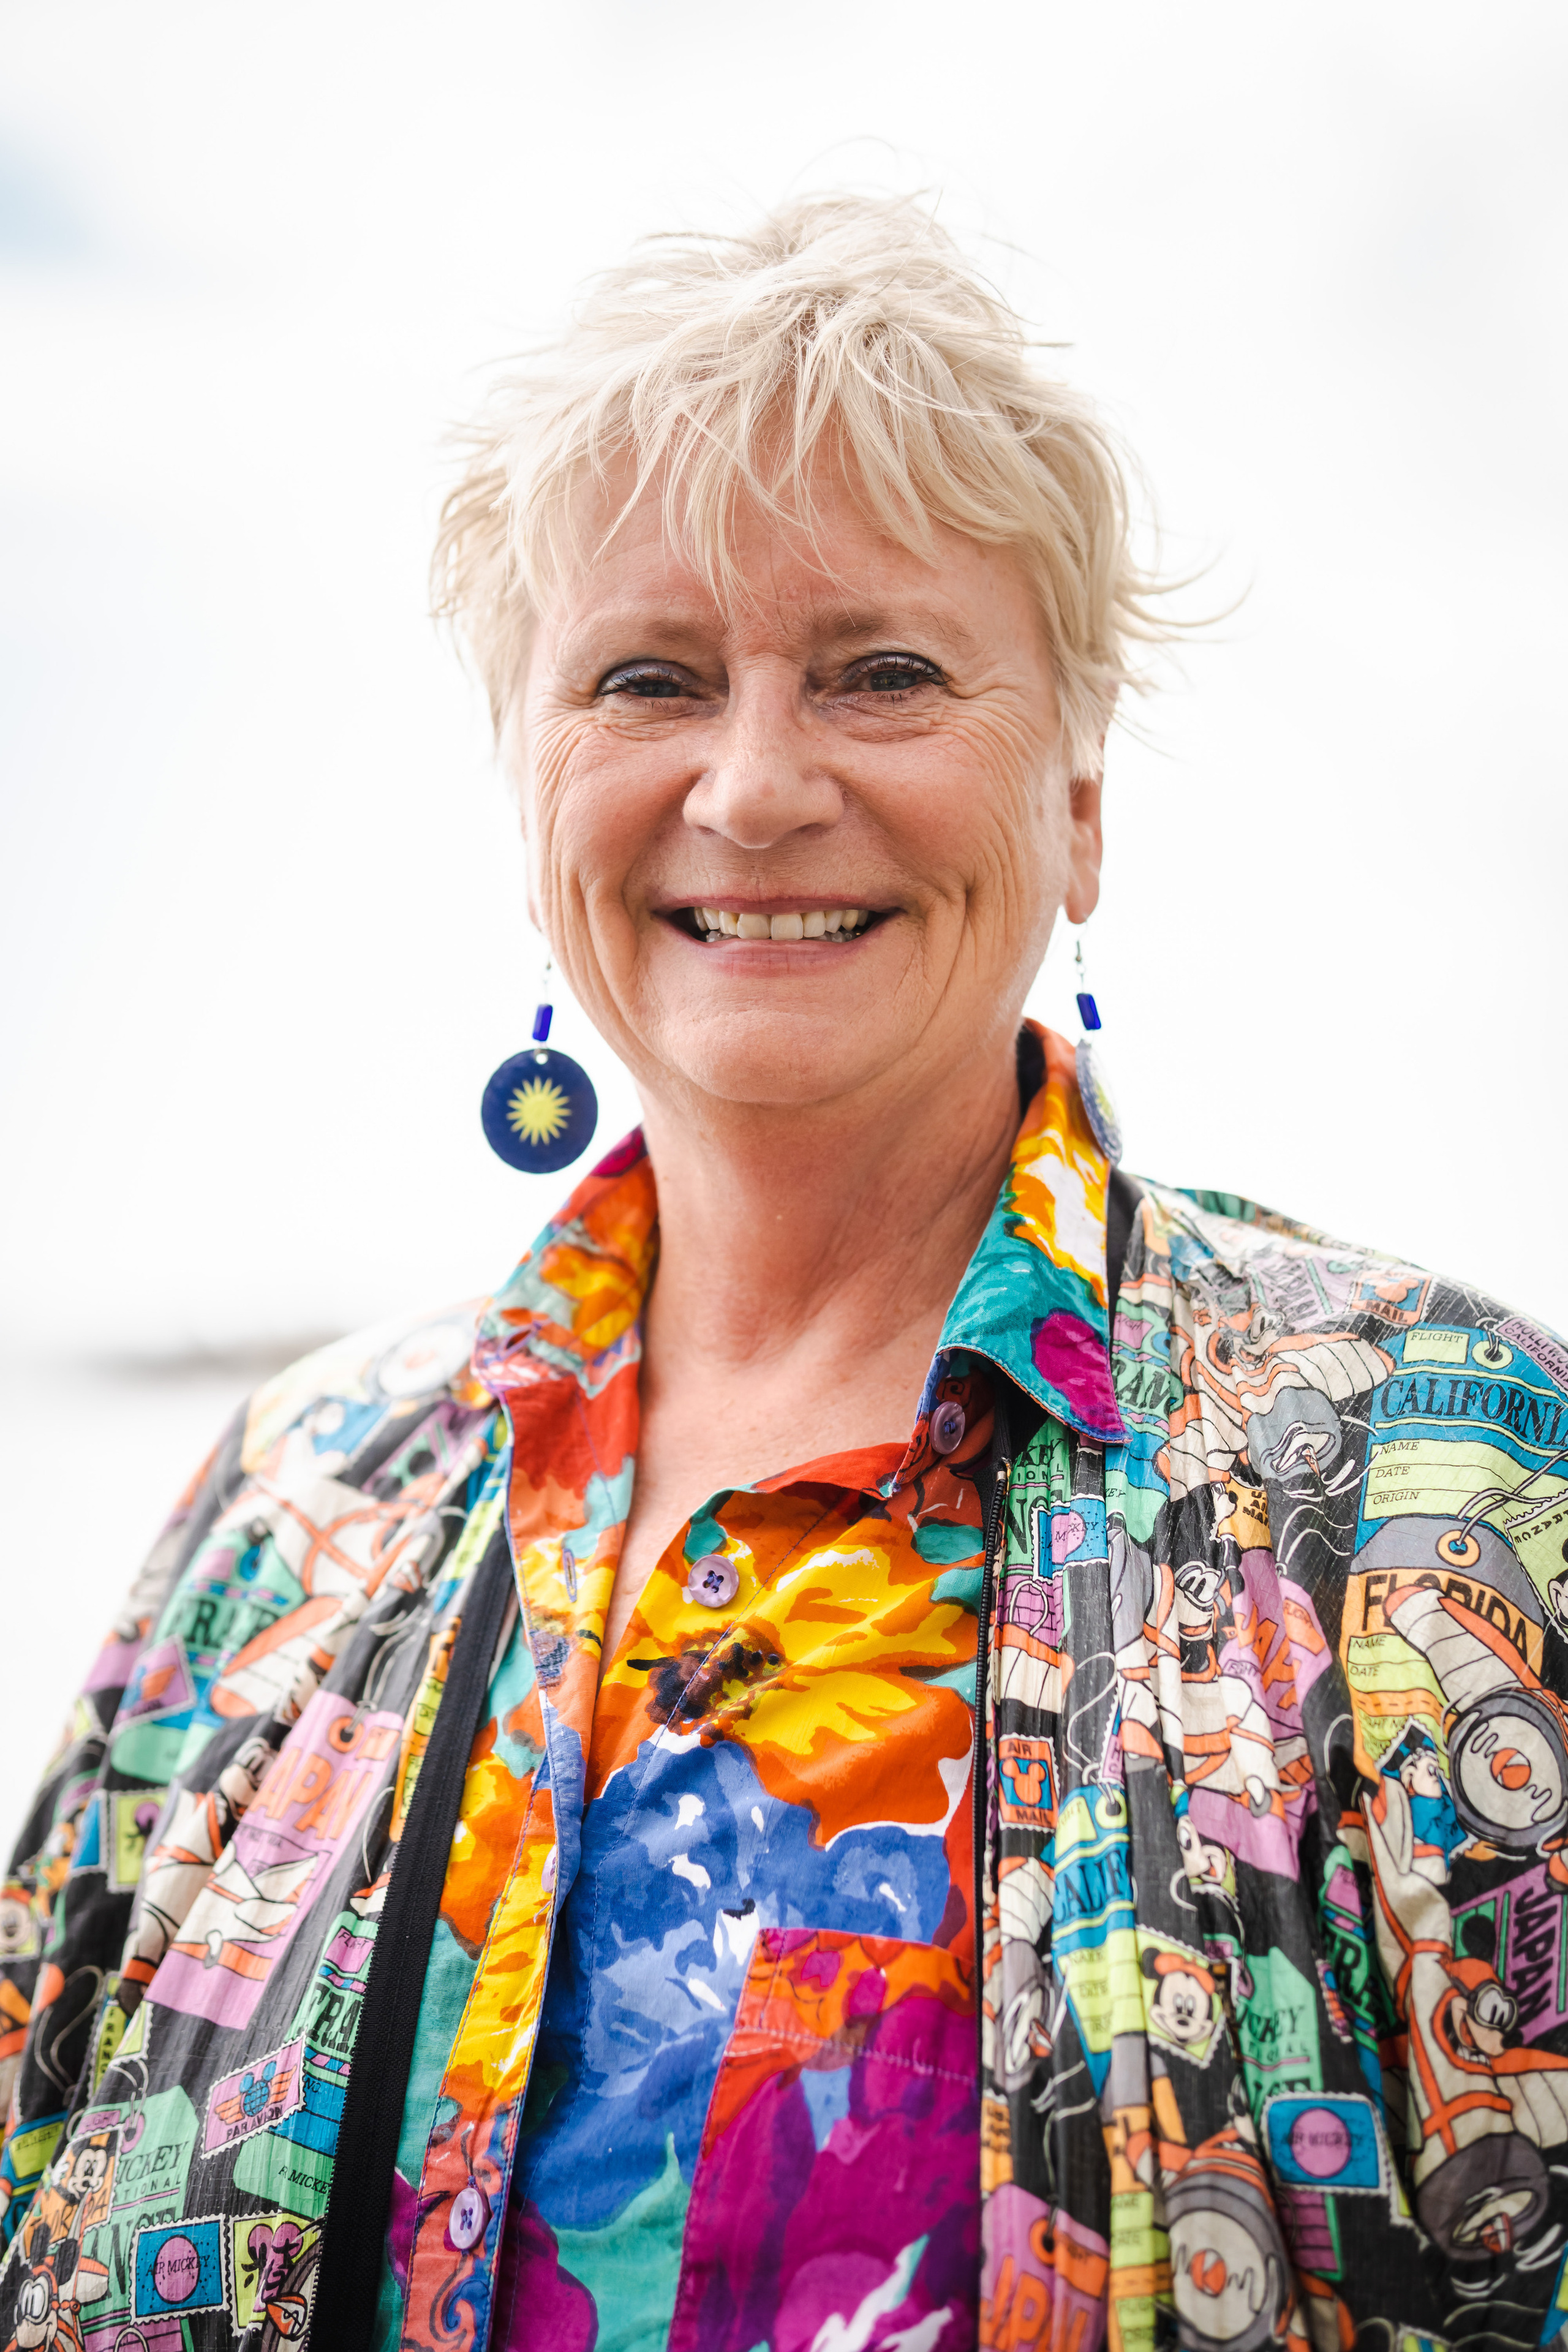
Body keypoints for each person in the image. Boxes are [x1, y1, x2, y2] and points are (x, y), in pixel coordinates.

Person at [1, 192, 1565, 2352]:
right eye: (648, 679)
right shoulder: (291, 1508)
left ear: (1079, 800)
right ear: (531, 792)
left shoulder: (1439, 1491)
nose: (749, 788)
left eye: (883, 673)